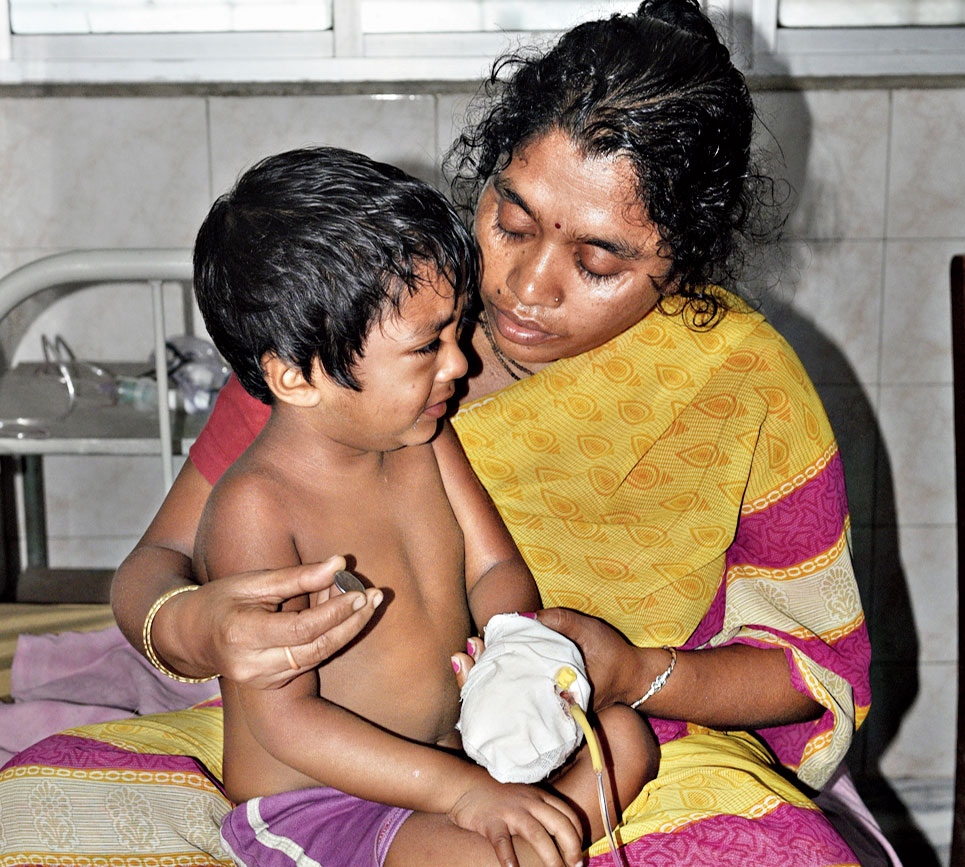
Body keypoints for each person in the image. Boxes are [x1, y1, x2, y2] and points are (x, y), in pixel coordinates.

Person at [0, 2, 871, 866]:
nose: (527, 287)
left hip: (560, 727)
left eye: (597, 261)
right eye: (511, 223)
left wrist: (618, 670)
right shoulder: (347, 345)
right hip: (341, 763)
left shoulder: (734, 381)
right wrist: (198, 626)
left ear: (681, 262)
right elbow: (154, 569)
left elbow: (809, 668)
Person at [190, 145, 657, 867]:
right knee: (492, 854)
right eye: (424, 348)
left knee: (625, 739)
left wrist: (510, 649)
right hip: (321, 798)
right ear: (297, 376)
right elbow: (285, 722)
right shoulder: (255, 508)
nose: (459, 364)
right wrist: (461, 793)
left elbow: (493, 567)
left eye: (457, 330)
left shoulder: (426, 437)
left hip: (454, 753)